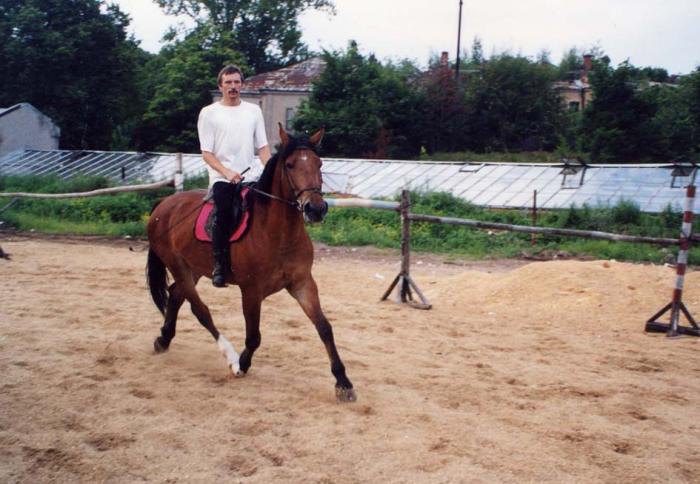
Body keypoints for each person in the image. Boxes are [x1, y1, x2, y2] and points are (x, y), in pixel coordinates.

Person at [197, 64, 271, 287]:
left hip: (252, 175)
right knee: (225, 212)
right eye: (228, 82)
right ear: (220, 86)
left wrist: (270, 170)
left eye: (237, 82)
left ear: (242, 84)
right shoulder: (209, 113)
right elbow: (207, 153)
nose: (233, 86)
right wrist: (227, 172)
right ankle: (220, 265)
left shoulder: (253, 111)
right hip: (222, 177)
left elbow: (264, 148)